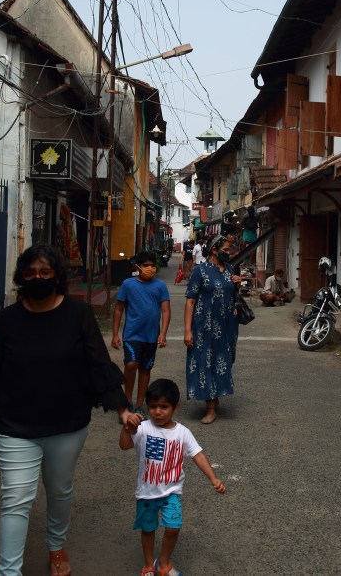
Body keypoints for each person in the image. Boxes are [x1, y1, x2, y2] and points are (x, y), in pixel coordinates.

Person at [0, 244, 142, 576]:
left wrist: (122, 409)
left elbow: (98, 362)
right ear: (22, 277)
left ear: (57, 276)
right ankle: (9, 571)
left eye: (45, 272)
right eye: (30, 273)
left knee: (60, 489)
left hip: (67, 425)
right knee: (16, 500)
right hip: (16, 425)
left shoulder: (77, 314)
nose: (38, 278)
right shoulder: (8, 319)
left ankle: (56, 547)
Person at [120, 379, 225, 576]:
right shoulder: (142, 428)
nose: (158, 412)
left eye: (164, 407)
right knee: (148, 529)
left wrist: (214, 478)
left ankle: (164, 562)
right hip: (147, 493)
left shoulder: (182, 433)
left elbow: (198, 455)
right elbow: (124, 445)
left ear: (175, 408)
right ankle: (149, 565)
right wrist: (127, 428)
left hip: (171, 493)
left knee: (173, 528)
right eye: (152, 407)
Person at [184, 235, 241, 424]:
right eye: (225, 249)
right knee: (205, 362)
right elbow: (190, 301)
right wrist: (187, 330)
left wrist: (237, 285)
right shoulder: (200, 271)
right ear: (214, 250)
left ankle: (215, 394)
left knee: (225, 360)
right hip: (205, 326)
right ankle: (210, 408)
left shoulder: (229, 269)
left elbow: (232, 294)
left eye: (230, 249)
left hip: (227, 326)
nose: (229, 252)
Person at [113, 251, 172, 413]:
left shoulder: (160, 286)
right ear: (138, 267)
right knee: (131, 364)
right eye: (146, 266)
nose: (150, 269)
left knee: (145, 369)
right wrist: (115, 334)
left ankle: (139, 405)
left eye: (153, 266)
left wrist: (163, 333)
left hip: (151, 336)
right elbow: (118, 309)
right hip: (132, 335)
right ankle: (126, 402)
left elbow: (166, 311)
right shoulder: (128, 284)